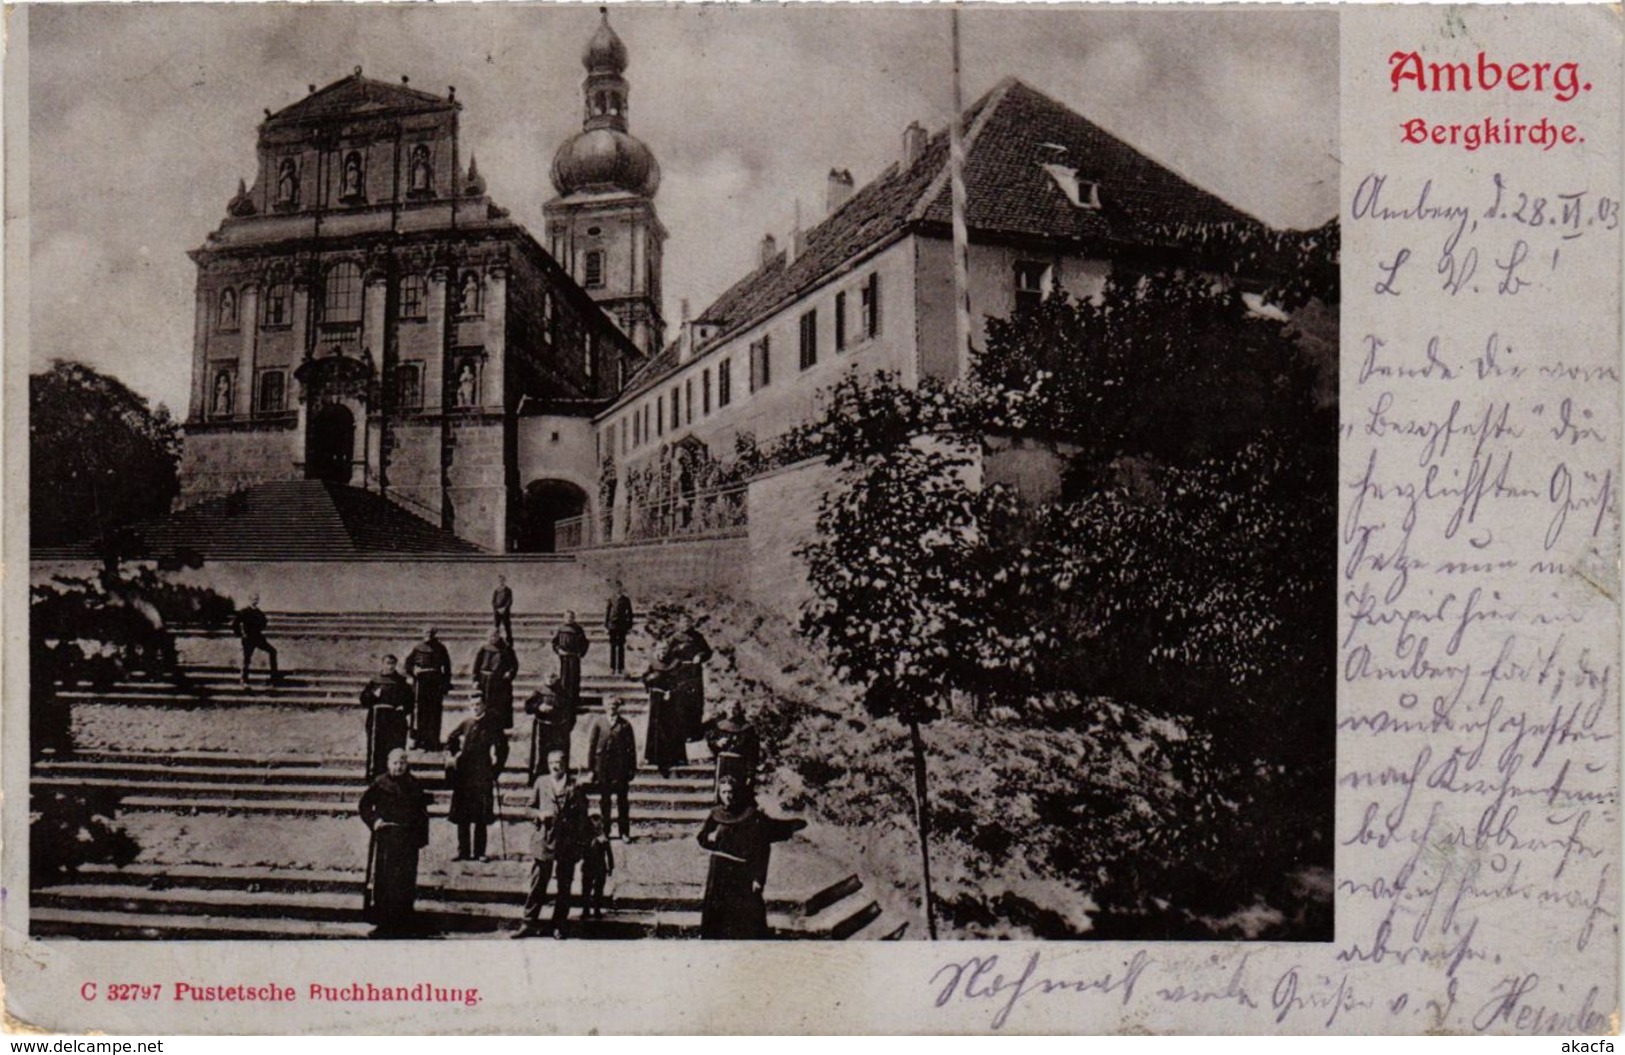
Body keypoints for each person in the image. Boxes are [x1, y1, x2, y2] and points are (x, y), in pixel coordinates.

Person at [696, 777, 806, 940]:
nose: (728, 796)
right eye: (724, 792)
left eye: (731, 792)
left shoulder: (750, 815)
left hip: (741, 871)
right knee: (716, 915)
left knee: (745, 917)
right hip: (718, 870)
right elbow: (701, 837)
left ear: (738, 793)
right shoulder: (716, 813)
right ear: (720, 794)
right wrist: (711, 843)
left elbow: (762, 849)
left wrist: (758, 878)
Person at [514, 750, 590, 939]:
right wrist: (539, 814)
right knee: (538, 883)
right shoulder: (541, 782)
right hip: (544, 841)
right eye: (551, 763)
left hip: (567, 843)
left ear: (565, 765)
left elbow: (583, 815)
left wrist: (579, 842)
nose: (555, 766)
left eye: (559, 762)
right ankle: (528, 922)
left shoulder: (575, 785)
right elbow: (529, 808)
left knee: (564, 886)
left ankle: (559, 925)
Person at [358, 749, 431, 937]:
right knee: (385, 881)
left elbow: (422, 814)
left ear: (407, 765)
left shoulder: (414, 785)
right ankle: (384, 923)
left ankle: (404, 922)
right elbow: (364, 806)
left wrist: (421, 838)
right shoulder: (380, 783)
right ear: (388, 764)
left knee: (405, 881)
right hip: (386, 839)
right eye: (395, 763)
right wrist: (375, 821)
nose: (398, 767)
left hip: (407, 840)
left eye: (402, 763)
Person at [444, 696, 509, 862]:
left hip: (482, 774)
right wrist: (455, 754)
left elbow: (503, 747)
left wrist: (496, 769)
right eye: (472, 705)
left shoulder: (492, 724)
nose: (475, 707)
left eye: (478, 704)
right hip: (464, 775)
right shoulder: (466, 723)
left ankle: (480, 852)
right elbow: (451, 738)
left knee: (481, 815)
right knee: (462, 815)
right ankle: (463, 851)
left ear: (484, 706)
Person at [587, 697, 638, 841]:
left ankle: (624, 832)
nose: (612, 707)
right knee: (605, 801)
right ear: (604, 706)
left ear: (618, 707)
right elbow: (591, 747)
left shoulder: (625, 725)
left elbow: (631, 749)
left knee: (622, 801)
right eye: (609, 704)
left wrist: (631, 768)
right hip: (603, 769)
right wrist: (591, 769)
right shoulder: (599, 723)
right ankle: (606, 831)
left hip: (620, 770)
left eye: (614, 705)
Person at [360, 655, 414, 780]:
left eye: (392, 664)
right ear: (382, 664)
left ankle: (396, 775)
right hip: (376, 718)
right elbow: (363, 700)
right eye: (387, 663)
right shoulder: (375, 681)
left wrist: (404, 708)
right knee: (376, 747)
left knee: (395, 746)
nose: (390, 666)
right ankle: (375, 775)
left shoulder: (400, 681)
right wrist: (373, 694)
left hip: (395, 719)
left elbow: (410, 701)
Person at [642, 640, 687, 778]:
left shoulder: (676, 663)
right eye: (660, 649)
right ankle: (653, 756)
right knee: (655, 727)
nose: (662, 652)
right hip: (656, 699)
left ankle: (674, 757)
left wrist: (672, 692)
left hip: (671, 700)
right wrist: (650, 680)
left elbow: (682, 681)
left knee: (671, 727)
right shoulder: (652, 663)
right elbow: (644, 678)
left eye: (665, 649)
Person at [404, 628, 452, 751]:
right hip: (421, 684)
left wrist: (445, 684)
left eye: (431, 633)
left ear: (435, 634)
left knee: (434, 712)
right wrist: (414, 670)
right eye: (426, 633)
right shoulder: (418, 648)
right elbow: (408, 664)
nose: (428, 636)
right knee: (419, 712)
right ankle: (418, 740)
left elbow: (447, 667)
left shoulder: (441, 648)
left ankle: (433, 741)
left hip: (435, 684)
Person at [668, 619, 714, 742]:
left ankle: (694, 732)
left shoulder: (698, 637)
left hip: (694, 674)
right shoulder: (674, 638)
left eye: (688, 624)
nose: (686, 626)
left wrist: (700, 655)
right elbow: (667, 655)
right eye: (683, 623)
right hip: (680, 674)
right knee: (680, 702)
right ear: (679, 624)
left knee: (695, 702)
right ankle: (680, 732)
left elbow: (708, 652)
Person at [524, 673, 576, 779]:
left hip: (558, 727)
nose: (550, 680)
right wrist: (539, 707)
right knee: (541, 754)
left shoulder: (562, 692)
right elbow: (528, 707)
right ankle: (538, 777)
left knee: (558, 753)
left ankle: (559, 777)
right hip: (542, 726)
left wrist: (566, 723)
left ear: (556, 678)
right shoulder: (538, 691)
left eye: (552, 677)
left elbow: (570, 709)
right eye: (548, 677)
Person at [705, 702, 762, 793]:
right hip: (723, 764)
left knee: (738, 792)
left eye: (734, 708)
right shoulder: (719, 726)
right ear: (725, 709)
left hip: (739, 765)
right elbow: (710, 743)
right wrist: (717, 743)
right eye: (729, 708)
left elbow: (752, 752)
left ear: (739, 710)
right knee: (722, 791)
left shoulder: (747, 728)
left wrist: (750, 773)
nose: (731, 711)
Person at [472, 630, 518, 730]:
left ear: (499, 636)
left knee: (498, 705)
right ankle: (483, 724)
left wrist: (509, 673)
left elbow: (514, 665)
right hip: (484, 680)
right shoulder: (483, 649)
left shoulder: (506, 649)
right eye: (491, 637)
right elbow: (477, 665)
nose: (493, 638)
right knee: (483, 702)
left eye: (495, 636)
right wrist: (475, 679)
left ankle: (498, 727)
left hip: (499, 681)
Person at [230, 593, 279, 686]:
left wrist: (259, 629)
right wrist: (240, 634)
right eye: (253, 599)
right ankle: (244, 679)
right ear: (249, 600)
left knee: (273, 652)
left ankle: (274, 677)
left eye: (257, 599)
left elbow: (264, 623)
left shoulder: (259, 613)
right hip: (248, 638)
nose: (255, 601)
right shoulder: (244, 611)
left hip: (258, 637)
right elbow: (234, 624)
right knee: (246, 658)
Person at [551, 610, 590, 705]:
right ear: (564, 618)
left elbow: (585, 642)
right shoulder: (560, 629)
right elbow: (555, 642)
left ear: (574, 618)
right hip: (564, 657)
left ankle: (574, 699)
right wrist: (558, 650)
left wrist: (581, 653)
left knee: (574, 677)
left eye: (571, 617)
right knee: (564, 677)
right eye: (567, 617)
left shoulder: (578, 629)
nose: (569, 619)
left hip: (574, 656)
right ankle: (564, 699)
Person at [580, 815, 614, 920]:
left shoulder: (604, 840)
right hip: (588, 867)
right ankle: (586, 910)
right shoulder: (586, 839)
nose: (597, 830)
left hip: (600, 868)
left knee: (599, 890)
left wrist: (611, 867)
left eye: (599, 828)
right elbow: (582, 852)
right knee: (586, 889)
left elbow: (609, 854)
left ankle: (597, 909)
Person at [604, 585, 635, 676]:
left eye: (620, 588)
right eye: (616, 588)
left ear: (622, 589)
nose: (618, 590)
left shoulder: (625, 600)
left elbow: (630, 613)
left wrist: (629, 625)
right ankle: (612, 667)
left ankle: (621, 668)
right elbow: (607, 612)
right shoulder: (611, 599)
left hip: (622, 626)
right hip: (612, 626)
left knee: (621, 646)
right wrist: (606, 624)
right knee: (613, 647)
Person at [491, 575, 513, 644]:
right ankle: (496, 642)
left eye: (502, 580)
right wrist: (497, 609)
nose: (501, 582)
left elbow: (509, 601)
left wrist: (504, 609)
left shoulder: (508, 590)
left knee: (507, 628)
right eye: (500, 580)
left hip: (505, 612)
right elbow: (493, 601)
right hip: (497, 612)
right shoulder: (496, 590)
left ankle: (510, 643)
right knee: (496, 628)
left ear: (504, 581)